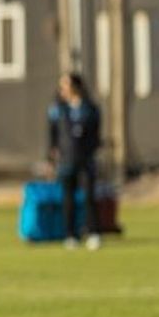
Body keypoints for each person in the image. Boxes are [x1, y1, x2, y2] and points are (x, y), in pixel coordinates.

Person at [48, 72, 102, 250]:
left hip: (86, 159)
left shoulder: (90, 109)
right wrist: (51, 157)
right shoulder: (58, 110)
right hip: (66, 160)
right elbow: (52, 136)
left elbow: (95, 134)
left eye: (66, 85)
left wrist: (92, 151)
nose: (62, 89)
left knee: (89, 197)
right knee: (68, 199)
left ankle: (93, 232)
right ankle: (70, 235)